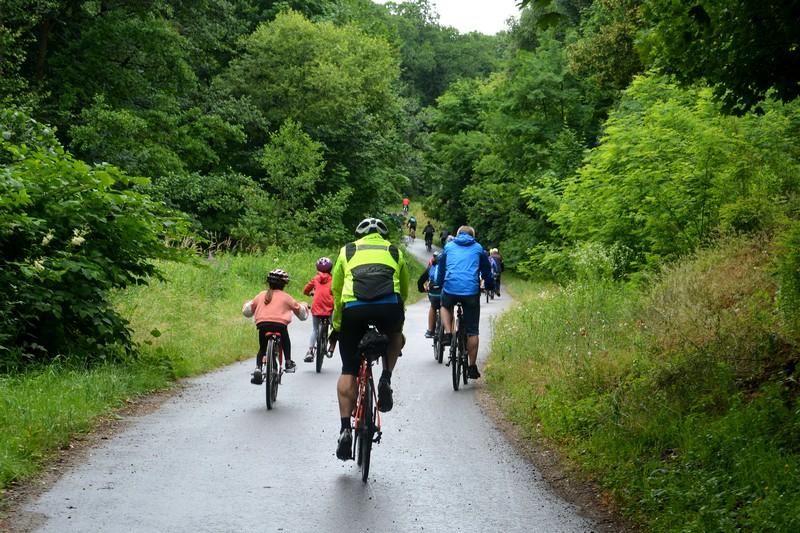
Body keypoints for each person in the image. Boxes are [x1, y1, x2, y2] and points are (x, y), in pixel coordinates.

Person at [331, 217, 409, 460]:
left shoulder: (347, 250)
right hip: (389, 306)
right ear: (382, 236)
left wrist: (338, 325)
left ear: (359, 235)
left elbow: (336, 290)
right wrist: (397, 323)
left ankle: (345, 429)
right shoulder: (394, 251)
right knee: (395, 336)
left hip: (354, 309)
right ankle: (385, 378)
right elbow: (404, 290)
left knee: (348, 370)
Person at [436, 226, 494, 380]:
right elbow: (486, 271)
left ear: (457, 235)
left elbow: (441, 269)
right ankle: (472, 366)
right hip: (470, 293)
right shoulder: (478, 248)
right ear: (473, 236)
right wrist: (490, 285)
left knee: (444, 305)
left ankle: (448, 333)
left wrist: (439, 282)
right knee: (472, 331)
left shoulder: (449, 247)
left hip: (450, 289)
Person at [243, 269, 308, 384]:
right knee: (285, 339)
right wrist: (305, 307)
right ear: (284, 284)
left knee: (262, 348)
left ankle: (258, 368)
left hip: (263, 325)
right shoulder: (286, 297)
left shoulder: (261, 295)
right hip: (280, 326)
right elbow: (302, 315)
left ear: (268, 283)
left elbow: (247, 312)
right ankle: (288, 361)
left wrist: (246, 304)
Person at [303, 257, 335, 363]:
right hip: (329, 308)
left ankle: (310, 351)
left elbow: (306, 290)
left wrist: (309, 293)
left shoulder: (316, 278)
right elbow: (336, 290)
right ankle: (331, 347)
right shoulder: (333, 279)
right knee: (333, 327)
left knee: (315, 329)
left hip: (316, 308)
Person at [417, 251, 442, 338]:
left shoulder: (431, 267)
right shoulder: (448, 267)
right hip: (444, 293)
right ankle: (450, 332)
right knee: (447, 308)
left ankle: (430, 331)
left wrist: (422, 290)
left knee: (433, 306)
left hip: (433, 293)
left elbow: (420, 281)